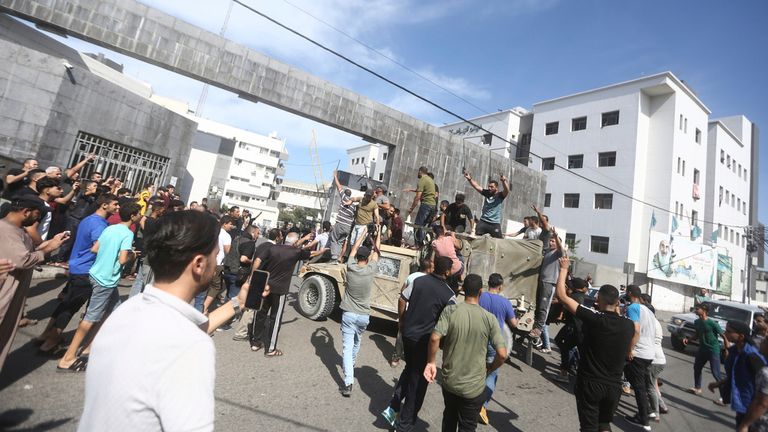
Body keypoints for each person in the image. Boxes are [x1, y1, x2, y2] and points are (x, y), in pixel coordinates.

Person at [77, 210, 254, 431]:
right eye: (216, 255)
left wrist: (237, 302)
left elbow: (184, 332)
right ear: (199, 264)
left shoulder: (130, 308)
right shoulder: (189, 345)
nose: (218, 262)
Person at [57, 202, 142, 371]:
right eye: (139, 213)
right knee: (92, 317)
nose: (141, 216)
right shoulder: (126, 233)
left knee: (112, 310)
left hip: (96, 274)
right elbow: (124, 259)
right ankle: (68, 358)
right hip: (106, 279)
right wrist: (132, 254)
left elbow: (95, 249)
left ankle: (90, 347)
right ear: (132, 216)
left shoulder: (110, 228)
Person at [554, 257, 635, 432]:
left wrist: (563, 269)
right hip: (614, 387)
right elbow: (634, 327)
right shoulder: (628, 325)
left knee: (588, 427)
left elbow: (562, 296)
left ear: (598, 299)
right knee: (604, 425)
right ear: (618, 302)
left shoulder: (595, 319)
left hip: (591, 384)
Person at [35, 194, 120, 353]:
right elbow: (98, 247)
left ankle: (46, 334)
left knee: (66, 303)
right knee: (71, 307)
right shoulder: (99, 225)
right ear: (104, 205)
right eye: (115, 204)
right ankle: (51, 342)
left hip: (76, 266)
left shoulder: (89, 219)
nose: (117, 208)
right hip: (86, 270)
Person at [424, 274, 507, 432]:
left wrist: (431, 362)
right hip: (474, 387)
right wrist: (490, 368)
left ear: (462, 290)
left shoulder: (450, 311)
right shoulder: (489, 318)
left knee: (449, 417)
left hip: (450, 381)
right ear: (480, 292)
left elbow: (434, 338)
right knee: (468, 426)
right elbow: (502, 354)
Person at [389, 256, 456, 432]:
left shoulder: (419, 281)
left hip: (408, 336)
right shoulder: (449, 295)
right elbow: (450, 322)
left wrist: (402, 321)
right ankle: (404, 425)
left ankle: (394, 405)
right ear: (448, 272)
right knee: (418, 384)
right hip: (424, 342)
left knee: (410, 369)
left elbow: (402, 298)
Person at [0, 197, 68, 370]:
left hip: (13, 291)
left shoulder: (17, 230)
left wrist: (51, 243)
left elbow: (28, 253)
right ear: (26, 212)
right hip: (5, 292)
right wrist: (48, 249)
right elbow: (23, 260)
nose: (38, 220)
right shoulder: (6, 231)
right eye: (37, 215)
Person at [250, 231, 312, 356]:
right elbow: (311, 253)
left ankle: (255, 343)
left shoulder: (271, 248)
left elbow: (257, 260)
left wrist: (253, 276)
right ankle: (271, 349)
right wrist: (321, 250)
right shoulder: (295, 252)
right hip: (280, 290)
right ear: (295, 241)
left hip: (265, 286)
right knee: (275, 318)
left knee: (260, 314)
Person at [339, 223, 380, 396]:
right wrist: (378, 234)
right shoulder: (371, 269)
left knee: (347, 347)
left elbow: (354, 249)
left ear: (357, 257)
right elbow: (377, 252)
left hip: (349, 313)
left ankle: (348, 381)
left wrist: (362, 233)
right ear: (368, 257)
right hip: (364, 315)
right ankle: (351, 363)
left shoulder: (351, 267)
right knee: (357, 341)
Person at [709, 321, 767, 427]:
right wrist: (719, 383)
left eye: (729, 331)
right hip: (741, 404)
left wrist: (746, 424)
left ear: (741, 336)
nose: (725, 333)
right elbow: (737, 375)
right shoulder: (735, 351)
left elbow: (764, 382)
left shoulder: (751, 355)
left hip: (752, 407)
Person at [477, 273, 518, 424]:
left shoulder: (480, 297)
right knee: (492, 373)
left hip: (479, 338)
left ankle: (470, 399)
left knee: (477, 370)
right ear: (500, 286)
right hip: (495, 341)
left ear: (488, 284)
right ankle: (481, 406)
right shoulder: (505, 302)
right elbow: (514, 324)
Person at [622, 285, 657, 430]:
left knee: (639, 387)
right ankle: (647, 410)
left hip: (639, 352)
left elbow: (636, 330)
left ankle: (644, 420)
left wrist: (630, 349)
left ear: (629, 293)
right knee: (637, 380)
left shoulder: (633, 308)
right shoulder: (648, 310)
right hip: (649, 352)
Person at [529, 234, 565, 348]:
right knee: (538, 305)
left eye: (553, 241)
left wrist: (556, 236)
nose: (551, 243)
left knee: (544, 306)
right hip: (542, 281)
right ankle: (535, 325)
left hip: (550, 282)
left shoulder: (558, 253)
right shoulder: (548, 252)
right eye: (551, 241)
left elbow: (561, 249)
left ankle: (539, 329)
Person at [684, 303, 728, 395]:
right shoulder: (697, 322)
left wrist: (726, 349)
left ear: (704, 311)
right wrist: (688, 339)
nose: (696, 310)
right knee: (697, 368)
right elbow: (697, 334)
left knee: (716, 373)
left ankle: (723, 396)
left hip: (713, 350)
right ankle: (697, 388)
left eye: (698, 309)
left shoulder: (712, 323)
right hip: (702, 349)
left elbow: (724, 336)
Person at [553, 277, 588, 383]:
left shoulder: (574, 297)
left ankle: (564, 373)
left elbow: (560, 300)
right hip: (576, 327)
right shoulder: (582, 296)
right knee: (561, 342)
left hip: (573, 328)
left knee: (565, 348)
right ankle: (571, 363)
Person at [200, 215, 234, 314]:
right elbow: (228, 251)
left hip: (207, 260)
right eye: (230, 224)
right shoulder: (227, 236)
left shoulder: (213, 231)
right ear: (225, 224)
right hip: (218, 263)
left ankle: (200, 304)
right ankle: (204, 307)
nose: (231, 226)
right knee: (215, 286)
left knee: (205, 283)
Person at [462, 169, 509, 238]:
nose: (489, 188)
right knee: (474, 236)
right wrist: (470, 179)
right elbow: (476, 186)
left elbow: (506, 190)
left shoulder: (500, 196)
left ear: (496, 188)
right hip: (483, 221)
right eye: (489, 186)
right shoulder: (487, 193)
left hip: (494, 223)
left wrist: (504, 181)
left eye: (492, 187)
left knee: (499, 240)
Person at [737, 337, 768, 432]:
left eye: (765, 341)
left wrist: (745, 424)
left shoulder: (765, 373)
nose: (761, 342)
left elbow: (762, 403)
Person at [328, 169, 358, 261]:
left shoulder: (344, 198)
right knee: (340, 242)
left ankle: (334, 256)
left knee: (333, 238)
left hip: (340, 224)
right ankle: (338, 257)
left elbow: (339, 186)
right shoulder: (354, 205)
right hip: (348, 227)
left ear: (345, 194)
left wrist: (335, 176)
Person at [647, 304, 669, 423]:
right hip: (658, 359)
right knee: (653, 384)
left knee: (650, 387)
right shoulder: (655, 322)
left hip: (654, 360)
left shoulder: (651, 323)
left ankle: (655, 413)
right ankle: (662, 406)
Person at [407, 166, 436, 248]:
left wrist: (412, 208)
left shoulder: (422, 180)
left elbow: (418, 196)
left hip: (426, 205)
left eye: (418, 172)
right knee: (424, 226)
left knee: (417, 225)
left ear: (420, 171)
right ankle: (423, 245)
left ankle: (417, 245)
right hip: (433, 206)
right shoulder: (430, 180)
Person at [431, 225, 463, 290]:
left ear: (435, 233)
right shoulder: (449, 238)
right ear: (443, 231)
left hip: (446, 271)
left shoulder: (434, 243)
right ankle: (461, 275)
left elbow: (437, 254)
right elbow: (459, 246)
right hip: (458, 268)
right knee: (459, 254)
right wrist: (453, 235)